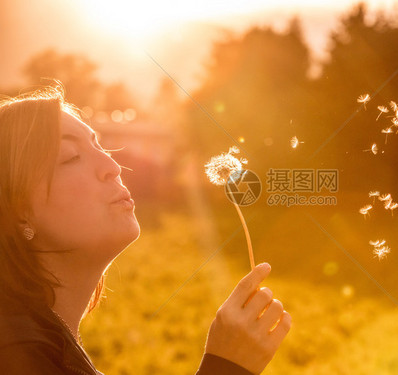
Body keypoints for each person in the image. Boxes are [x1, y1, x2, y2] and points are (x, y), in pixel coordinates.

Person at [0, 85, 291, 374]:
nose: (112, 165)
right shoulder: (16, 356)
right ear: (17, 211)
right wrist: (226, 368)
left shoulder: (37, 345)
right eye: (70, 156)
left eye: (99, 146)